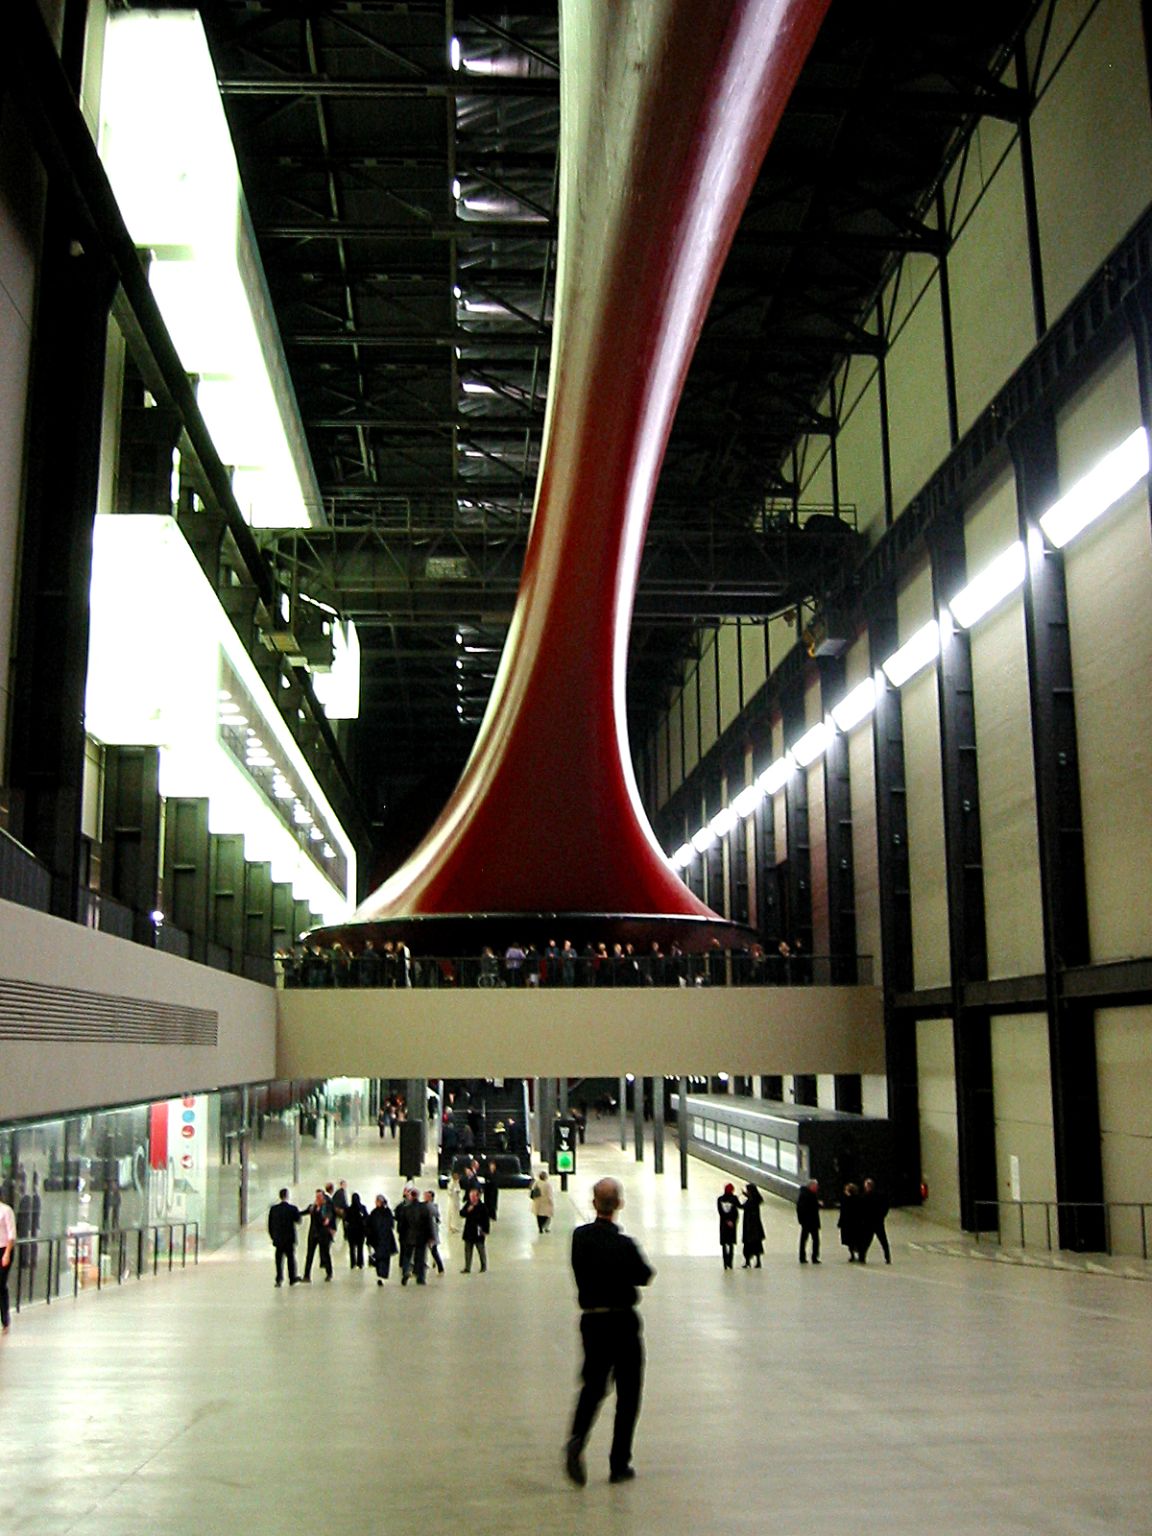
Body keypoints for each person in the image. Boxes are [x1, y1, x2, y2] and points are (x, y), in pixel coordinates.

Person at [565, 1177, 654, 1487]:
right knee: (628, 1395)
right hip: (624, 1324)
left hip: (592, 1321)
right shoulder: (624, 1245)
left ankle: (577, 1438)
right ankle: (619, 1463)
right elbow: (645, 1275)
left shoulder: (579, 1238)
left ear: (593, 1203)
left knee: (593, 1386)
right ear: (619, 1205)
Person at [267, 1187, 302, 1287]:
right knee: (291, 1259)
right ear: (287, 1196)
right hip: (289, 1239)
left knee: (279, 1260)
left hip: (278, 1239)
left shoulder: (273, 1209)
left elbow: (270, 1225)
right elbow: (298, 1220)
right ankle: (292, 1278)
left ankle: (279, 1279)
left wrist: (273, 1236)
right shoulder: (292, 1209)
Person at [302, 1188, 335, 1281]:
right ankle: (306, 1275)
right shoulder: (312, 1207)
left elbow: (328, 1217)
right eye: (317, 1197)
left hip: (323, 1235)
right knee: (309, 1255)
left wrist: (329, 1222)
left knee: (325, 1254)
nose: (318, 1198)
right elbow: (304, 1212)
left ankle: (329, 1273)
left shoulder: (326, 1207)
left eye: (320, 1196)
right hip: (313, 1234)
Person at [365, 1195, 397, 1284]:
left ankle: (381, 1275)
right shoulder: (381, 1212)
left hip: (382, 1239)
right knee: (382, 1258)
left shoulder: (377, 1213)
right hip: (381, 1239)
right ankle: (381, 1275)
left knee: (382, 1258)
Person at [860, 1177, 891, 1263]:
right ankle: (887, 1257)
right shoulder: (880, 1196)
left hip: (869, 1222)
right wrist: (882, 1215)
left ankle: (862, 1257)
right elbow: (886, 1205)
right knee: (883, 1241)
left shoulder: (864, 1197)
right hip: (878, 1221)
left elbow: (862, 1210)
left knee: (866, 1241)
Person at [460, 1187, 490, 1273]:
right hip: (469, 1231)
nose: (472, 1198)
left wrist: (485, 1231)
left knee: (481, 1249)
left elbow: (486, 1220)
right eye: (470, 1196)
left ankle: (483, 1266)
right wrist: (467, 1211)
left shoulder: (482, 1207)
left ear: (478, 1197)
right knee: (468, 1250)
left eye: (473, 1196)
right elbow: (461, 1213)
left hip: (478, 1232)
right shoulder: (468, 1204)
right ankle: (467, 1267)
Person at [0, 1193, 16, 1333]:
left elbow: (11, 1234)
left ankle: (5, 1319)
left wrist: (7, 1254)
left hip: (4, 1249)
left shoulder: (6, 1210)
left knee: (1, 1284)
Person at [796, 1178, 821, 1264]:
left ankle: (813, 1256)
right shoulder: (806, 1195)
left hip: (812, 1220)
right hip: (808, 1221)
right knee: (809, 1239)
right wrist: (802, 1220)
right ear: (811, 1186)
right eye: (816, 1186)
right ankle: (806, 1256)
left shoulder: (810, 1194)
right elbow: (801, 1208)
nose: (817, 1187)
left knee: (812, 1239)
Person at [740, 1183, 765, 1269]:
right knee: (757, 1245)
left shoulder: (750, 1201)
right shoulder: (756, 1200)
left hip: (749, 1226)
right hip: (756, 1227)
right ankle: (758, 1262)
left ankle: (747, 1262)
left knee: (748, 1245)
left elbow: (743, 1206)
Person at [717, 1183, 740, 1270]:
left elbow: (720, 1212)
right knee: (731, 1244)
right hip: (732, 1225)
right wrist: (731, 1221)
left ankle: (725, 1263)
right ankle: (730, 1262)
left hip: (723, 1224)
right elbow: (739, 1207)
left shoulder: (720, 1199)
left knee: (724, 1244)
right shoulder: (734, 1198)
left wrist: (726, 1220)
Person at [838, 1182, 865, 1262]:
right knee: (857, 1240)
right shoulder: (859, 1199)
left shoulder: (846, 1200)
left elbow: (843, 1213)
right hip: (857, 1223)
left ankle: (853, 1255)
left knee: (850, 1241)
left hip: (848, 1224)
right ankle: (859, 1254)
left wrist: (840, 1222)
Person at [423, 1191, 445, 1275]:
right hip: (425, 1231)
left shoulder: (433, 1206)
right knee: (424, 1250)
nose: (425, 1197)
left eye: (427, 1196)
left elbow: (436, 1214)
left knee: (434, 1251)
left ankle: (440, 1268)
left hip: (432, 1233)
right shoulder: (423, 1205)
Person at [344, 1193, 368, 1270]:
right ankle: (360, 1263)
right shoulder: (362, 1208)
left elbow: (346, 1220)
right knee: (360, 1248)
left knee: (352, 1248)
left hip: (351, 1231)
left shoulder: (349, 1209)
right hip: (360, 1231)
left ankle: (353, 1263)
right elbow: (366, 1217)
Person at [530, 1169, 555, 1234]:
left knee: (539, 1216)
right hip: (546, 1202)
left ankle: (540, 1228)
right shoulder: (547, 1184)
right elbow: (549, 1194)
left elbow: (532, 1191)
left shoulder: (536, 1183)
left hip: (537, 1202)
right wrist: (551, 1202)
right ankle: (545, 1227)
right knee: (547, 1215)